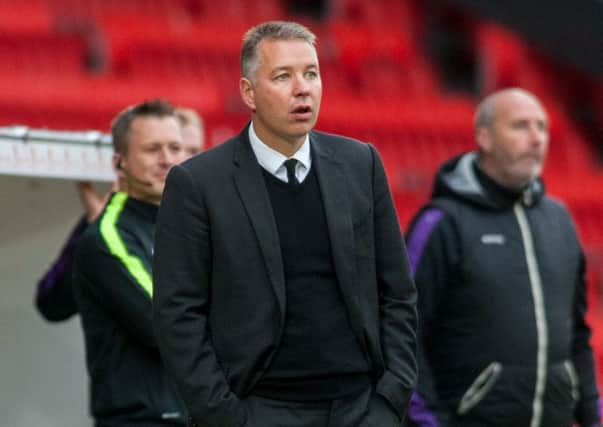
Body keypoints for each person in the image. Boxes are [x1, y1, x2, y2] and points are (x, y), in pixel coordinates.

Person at [152, 20, 418, 427]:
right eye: (283, 76)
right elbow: (178, 314)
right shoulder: (198, 183)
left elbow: (397, 292)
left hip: (362, 408)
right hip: (260, 409)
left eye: (311, 73)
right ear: (248, 92)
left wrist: (390, 399)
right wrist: (226, 416)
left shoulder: (360, 163)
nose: (303, 88)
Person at [405, 88, 601, 427]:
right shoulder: (441, 223)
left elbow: (577, 336)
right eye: (520, 126)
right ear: (485, 137)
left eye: (542, 127)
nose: (537, 138)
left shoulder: (559, 220)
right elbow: (403, 331)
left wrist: (592, 415)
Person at [72, 99, 188, 426]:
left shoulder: (195, 227)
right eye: (152, 149)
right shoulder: (109, 237)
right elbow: (166, 325)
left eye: (175, 147)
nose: (167, 160)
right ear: (119, 161)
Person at [35, 107, 205, 322]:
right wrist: (95, 232)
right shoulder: (113, 225)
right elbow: (52, 305)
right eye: (155, 149)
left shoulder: (207, 223)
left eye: (190, 151)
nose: (172, 160)